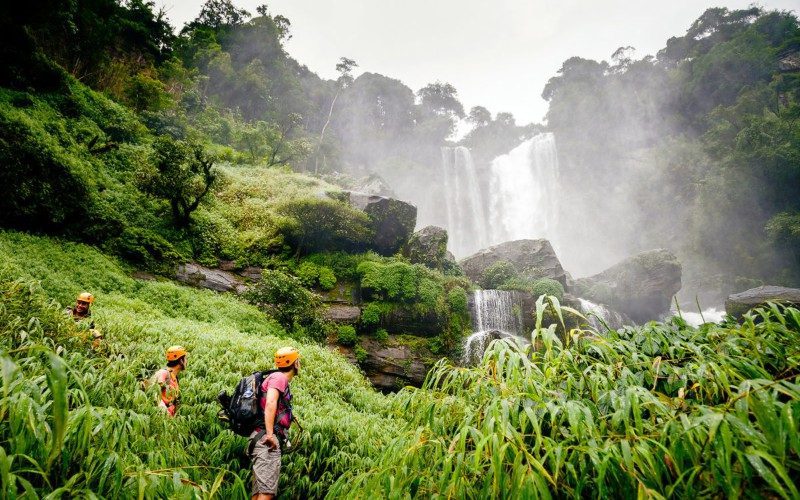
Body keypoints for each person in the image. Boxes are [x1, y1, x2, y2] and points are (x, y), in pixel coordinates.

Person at [250, 346, 300, 500]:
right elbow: (271, 402)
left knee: (259, 492)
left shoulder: (275, 377)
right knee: (266, 493)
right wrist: (271, 434)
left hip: (260, 437)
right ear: (295, 363)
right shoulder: (279, 378)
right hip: (266, 440)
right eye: (298, 360)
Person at [154, 346, 188, 417]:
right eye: (185, 359)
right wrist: (164, 413)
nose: (186, 361)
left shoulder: (174, 378)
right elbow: (154, 395)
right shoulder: (163, 373)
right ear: (181, 361)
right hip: (162, 418)